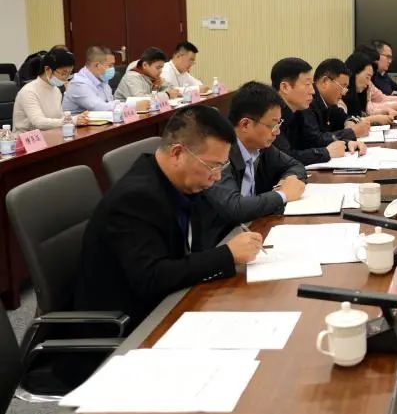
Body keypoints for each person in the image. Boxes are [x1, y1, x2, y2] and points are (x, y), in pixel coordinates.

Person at [74, 105, 264, 329]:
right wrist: (227, 254)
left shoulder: (183, 183)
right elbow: (152, 278)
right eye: (212, 166)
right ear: (177, 153)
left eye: (222, 166)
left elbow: (198, 243)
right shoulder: (135, 199)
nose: (217, 176)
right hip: (130, 325)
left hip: (174, 302)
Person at [206, 81, 306, 224]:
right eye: (273, 125)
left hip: (252, 225)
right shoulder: (219, 153)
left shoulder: (261, 146)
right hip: (226, 234)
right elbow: (234, 207)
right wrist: (282, 194)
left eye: (279, 124)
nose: (277, 132)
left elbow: (295, 166)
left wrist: (287, 181)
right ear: (245, 124)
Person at [270, 57, 364, 166]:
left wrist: (346, 144)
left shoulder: (297, 110)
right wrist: (326, 152)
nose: (313, 91)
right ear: (285, 87)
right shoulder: (270, 115)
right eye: (307, 84)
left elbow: (311, 141)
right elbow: (284, 158)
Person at [13, 48, 89, 132]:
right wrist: (72, 120)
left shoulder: (56, 90)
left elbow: (58, 119)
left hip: (50, 134)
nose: (66, 78)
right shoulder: (29, 91)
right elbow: (39, 122)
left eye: (69, 74)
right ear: (47, 69)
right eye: (64, 73)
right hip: (27, 137)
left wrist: (79, 118)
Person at [304, 58, 367, 142]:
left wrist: (350, 121)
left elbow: (344, 117)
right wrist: (352, 132)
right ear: (325, 82)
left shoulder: (329, 102)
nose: (344, 93)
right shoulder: (307, 102)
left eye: (346, 87)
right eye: (342, 86)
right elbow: (315, 140)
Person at [343, 52, 397, 126]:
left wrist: (385, 112)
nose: (368, 83)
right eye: (367, 77)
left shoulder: (358, 94)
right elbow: (346, 124)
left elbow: (365, 113)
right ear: (354, 73)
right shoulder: (340, 96)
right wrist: (373, 119)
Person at [358, 44, 397, 114]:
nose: (390, 61)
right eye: (388, 57)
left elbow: (382, 98)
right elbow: (368, 109)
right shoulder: (357, 82)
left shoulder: (382, 75)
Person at [62, 45, 117, 113]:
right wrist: (122, 106)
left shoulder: (103, 80)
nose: (112, 68)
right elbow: (99, 107)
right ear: (97, 65)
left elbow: (110, 103)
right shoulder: (79, 83)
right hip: (76, 120)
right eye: (110, 65)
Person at [114, 47, 181, 100]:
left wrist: (169, 92)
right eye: (158, 68)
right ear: (145, 65)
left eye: (162, 67)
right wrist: (167, 95)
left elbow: (170, 88)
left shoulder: (153, 76)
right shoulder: (131, 77)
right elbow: (141, 99)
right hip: (123, 111)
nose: (161, 71)